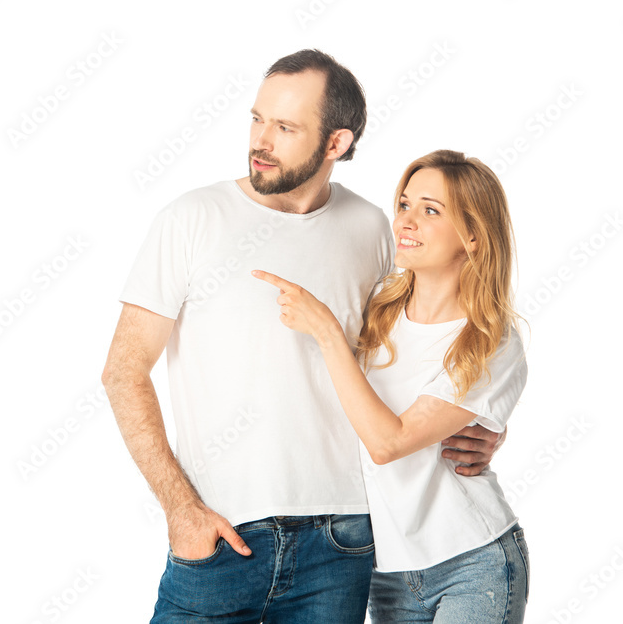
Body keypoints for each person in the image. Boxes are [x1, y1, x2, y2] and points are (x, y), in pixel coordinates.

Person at [101, 50, 506, 623]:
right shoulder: (190, 219)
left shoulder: (376, 230)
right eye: (257, 119)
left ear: (336, 143)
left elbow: (436, 341)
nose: (260, 140)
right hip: (219, 535)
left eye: (286, 128)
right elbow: (123, 371)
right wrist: (181, 510)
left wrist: (482, 420)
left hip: (344, 544)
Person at [253, 150, 529, 622]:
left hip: (472, 561)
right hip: (387, 573)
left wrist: (326, 332)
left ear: (475, 238)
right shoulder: (378, 309)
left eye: (430, 210)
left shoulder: (489, 341)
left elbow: (388, 443)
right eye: (404, 204)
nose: (406, 220)